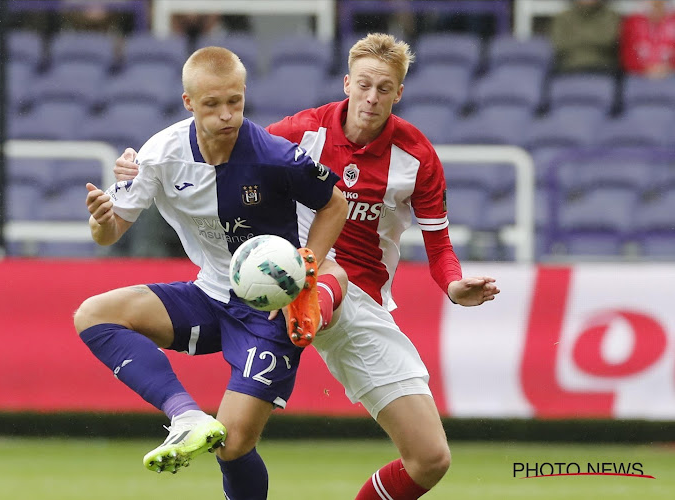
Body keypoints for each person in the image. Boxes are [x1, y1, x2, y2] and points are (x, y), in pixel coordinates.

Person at [114, 33, 500, 499]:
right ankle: (307, 302)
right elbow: (224, 138)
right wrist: (142, 168)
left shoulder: (416, 157)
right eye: (363, 85)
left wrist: (454, 284)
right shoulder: (301, 132)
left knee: (430, 459)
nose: (371, 97)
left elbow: (439, 245)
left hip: (360, 300)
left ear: (398, 93)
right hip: (284, 276)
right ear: (347, 84)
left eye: (383, 88)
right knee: (234, 441)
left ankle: (313, 303)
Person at [75, 46, 347, 500]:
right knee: (93, 314)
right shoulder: (160, 154)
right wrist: (102, 219)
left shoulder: (277, 156)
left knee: (234, 446)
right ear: (188, 102)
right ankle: (185, 415)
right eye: (212, 104)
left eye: (235, 102)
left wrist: (305, 270)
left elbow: (334, 203)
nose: (227, 115)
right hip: (208, 295)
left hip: (268, 311)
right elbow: (108, 234)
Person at [550, 0, 621, 74]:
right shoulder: (563, 17)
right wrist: (594, 37)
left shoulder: (611, 16)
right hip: (569, 68)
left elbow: (608, 41)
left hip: (603, 68)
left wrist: (576, 37)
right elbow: (560, 44)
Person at [619, 0, 675, 78]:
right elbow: (627, 51)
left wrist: (668, 68)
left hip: (670, 76)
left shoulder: (672, 20)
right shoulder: (633, 21)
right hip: (637, 76)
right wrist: (643, 68)